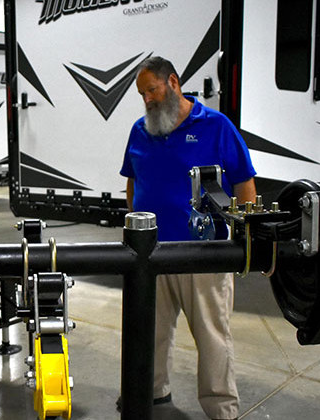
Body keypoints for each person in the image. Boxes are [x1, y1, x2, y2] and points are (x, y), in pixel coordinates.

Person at [119, 57, 256, 420]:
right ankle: (150, 391)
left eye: (152, 89)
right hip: (151, 254)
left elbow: (244, 182)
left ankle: (222, 409)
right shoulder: (140, 130)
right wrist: (136, 233)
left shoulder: (216, 127)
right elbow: (133, 182)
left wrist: (247, 238)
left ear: (174, 83)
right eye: (141, 93)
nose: (147, 99)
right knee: (149, 331)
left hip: (204, 255)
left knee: (212, 337)